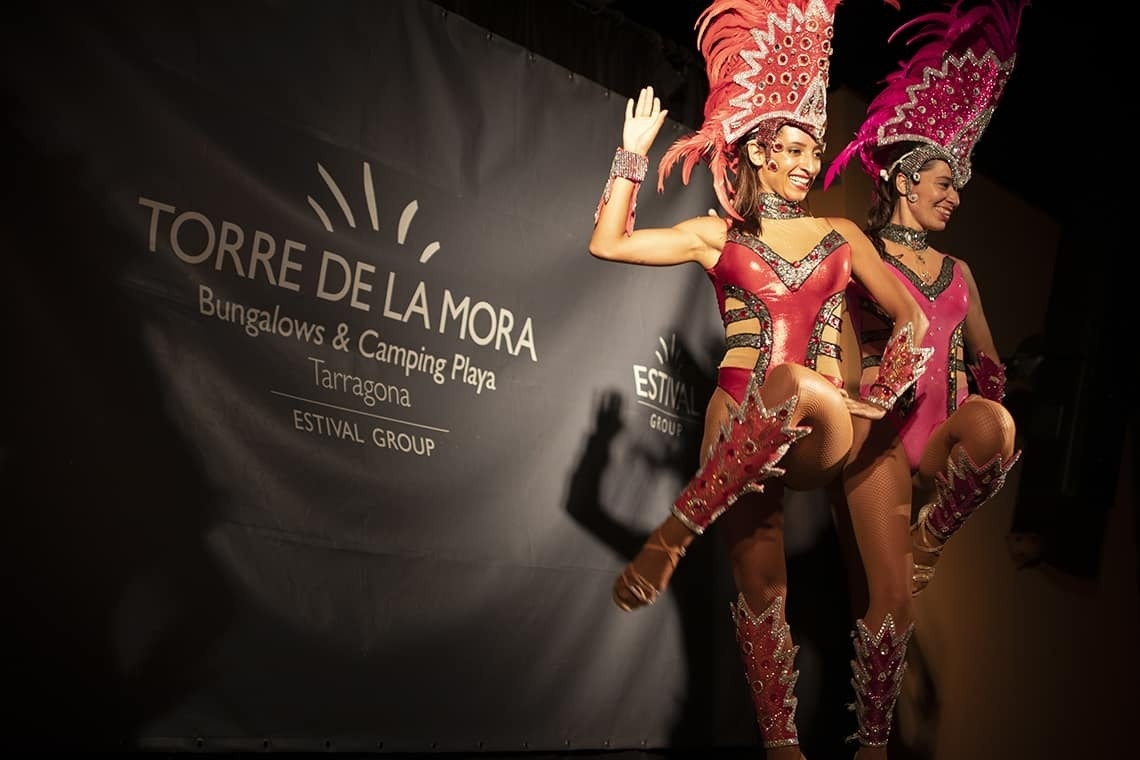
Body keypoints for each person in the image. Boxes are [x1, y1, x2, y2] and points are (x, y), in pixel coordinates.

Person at [588, 1, 930, 754]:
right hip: (737, 422)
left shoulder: (841, 235)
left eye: (816, 150)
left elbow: (910, 318)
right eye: (797, 149)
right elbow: (608, 243)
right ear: (760, 150)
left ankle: (673, 534)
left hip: (824, 420)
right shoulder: (719, 236)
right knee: (762, 589)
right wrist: (631, 155)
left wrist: (880, 393)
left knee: (797, 388)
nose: (810, 163)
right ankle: (782, 747)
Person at [821, 0, 1027, 752]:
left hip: (937, 440)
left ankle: (928, 539)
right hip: (878, 439)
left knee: (999, 428)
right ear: (906, 180)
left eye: (958, 186)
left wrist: (991, 406)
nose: (954, 196)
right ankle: (873, 748)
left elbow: (992, 370)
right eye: (944, 181)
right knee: (888, 603)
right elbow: (833, 340)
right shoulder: (864, 254)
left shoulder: (960, 272)